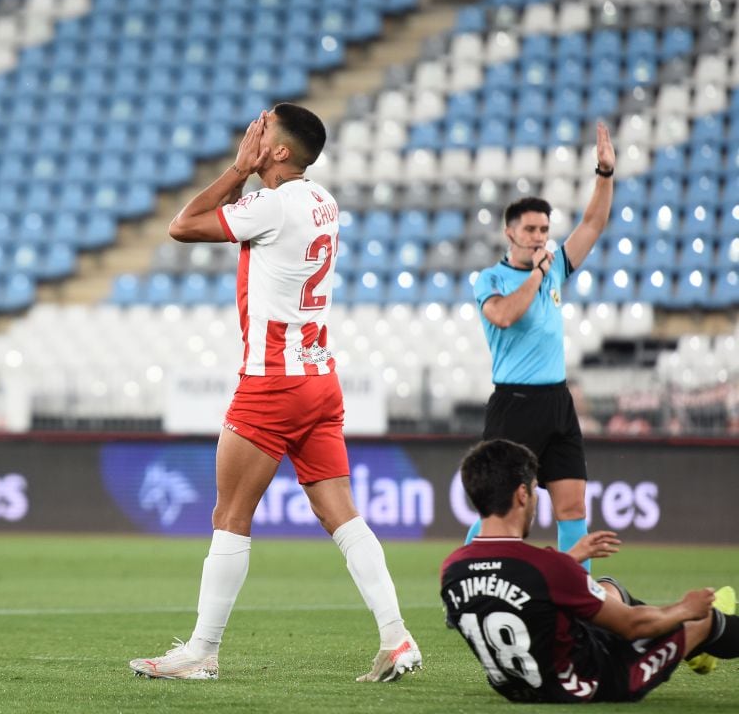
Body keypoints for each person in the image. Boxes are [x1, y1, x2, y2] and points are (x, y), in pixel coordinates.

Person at [129, 104, 421, 682]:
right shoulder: (323, 201)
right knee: (342, 515)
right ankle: (397, 638)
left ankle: (201, 652)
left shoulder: (271, 202)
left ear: (279, 152)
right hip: (319, 379)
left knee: (230, 514)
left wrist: (237, 170)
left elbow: (183, 225)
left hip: (272, 382)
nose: (252, 135)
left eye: (261, 133)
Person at [442, 439, 738, 703]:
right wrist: (686, 608)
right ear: (521, 495)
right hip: (591, 682)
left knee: (609, 589)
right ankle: (704, 637)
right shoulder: (547, 568)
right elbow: (633, 626)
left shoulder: (452, 569)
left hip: (515, 686)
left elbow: (516, 586)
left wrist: (569, 560)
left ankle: (693, 646)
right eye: (534, 491)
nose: (534, 501)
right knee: (703, 619)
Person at [465, 123, 616, 571]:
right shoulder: (492, 279)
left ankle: (581, 597)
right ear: (510, 233)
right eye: (530, 229)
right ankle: (465, 580)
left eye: (544, 229)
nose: (539, 236)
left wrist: (604, 174)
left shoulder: (554, 268)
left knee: (572, 507)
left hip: (557, 400)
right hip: (514, 403)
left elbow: (592, 223)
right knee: (497, 510)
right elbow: (505, 316)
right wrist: (535, 274)